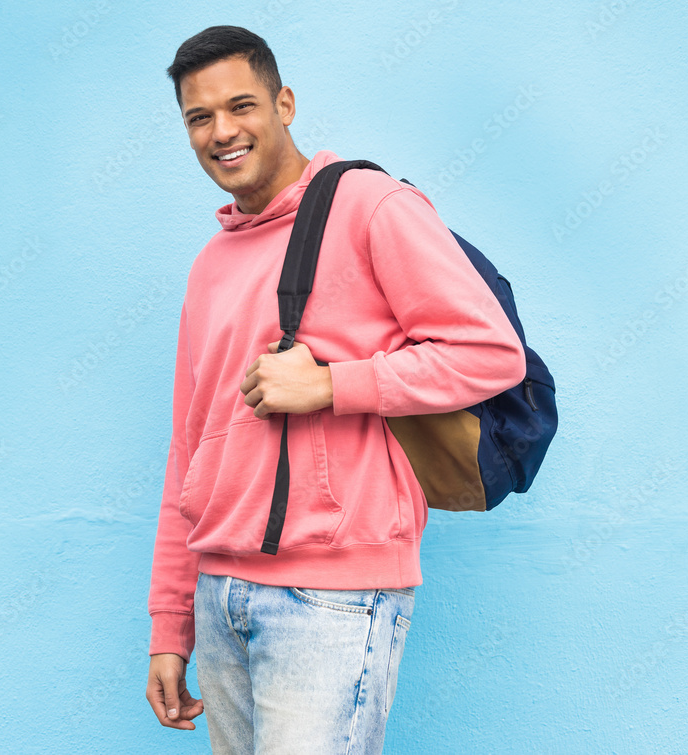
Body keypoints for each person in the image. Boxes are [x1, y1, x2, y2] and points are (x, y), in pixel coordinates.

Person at [145, 25, 526, 753]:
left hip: (332, 597)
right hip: (220, 594)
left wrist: (331, 384)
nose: (222, 131)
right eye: (199, 117)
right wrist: (171, 623)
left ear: (284, 103)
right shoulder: (209, 265)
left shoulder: (370, 205)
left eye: (241, 105)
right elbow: (187, 449)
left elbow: (489, 353)